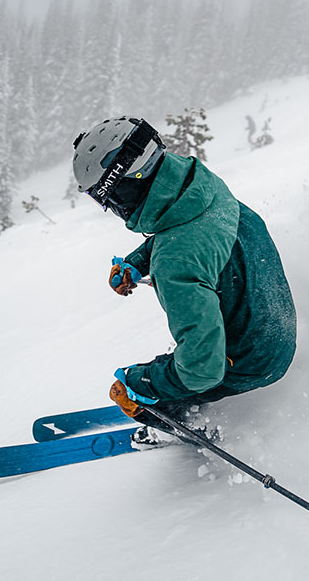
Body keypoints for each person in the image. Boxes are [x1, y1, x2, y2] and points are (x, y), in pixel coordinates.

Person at [71, 117, 296, 443]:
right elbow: (188, 232)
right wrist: (137, 263)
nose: (105, 207)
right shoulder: (200, 187)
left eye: (100, 197)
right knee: (189, 355)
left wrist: (143, 380)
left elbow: (203, 368)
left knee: (129, 391)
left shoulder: (175, 264)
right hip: (271, 325)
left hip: (253, 359)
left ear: (121, 186)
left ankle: (188, 433)